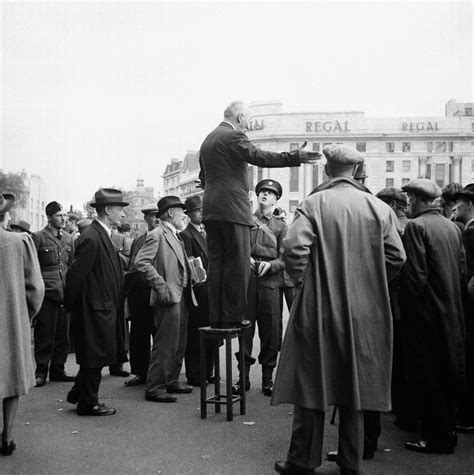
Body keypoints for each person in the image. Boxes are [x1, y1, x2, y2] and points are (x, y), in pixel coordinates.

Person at [272, 144, 406, 475]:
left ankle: (302, 461)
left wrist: (306, 281)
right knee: (355, 386)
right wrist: (370, 280)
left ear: (327, 170)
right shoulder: (378, 207)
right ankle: (351, 463)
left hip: (319, 308)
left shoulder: (315, 203)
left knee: (311, 382)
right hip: (365, 310)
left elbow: (294, 248)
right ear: (355, 171)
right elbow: (396, 257)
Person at [198, 101, 320, 328]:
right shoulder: (233, 136)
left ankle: (216, 316)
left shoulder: (208, 140)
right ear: (239, 116)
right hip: (233, 210)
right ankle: (232, 317)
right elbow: (258, 156)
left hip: (211, 210)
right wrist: (293, 157)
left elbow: (203, 177)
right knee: (237, 264)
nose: (248, 123)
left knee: (216, 265)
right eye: (247, 119)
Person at [400, 179, 465, 454]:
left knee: (428, 375)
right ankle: (448, 433)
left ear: (416, 200)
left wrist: (409, 314)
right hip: (452, 312)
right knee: (446, 372)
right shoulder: (452, 226)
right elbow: (461, 270)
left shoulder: (417, 226)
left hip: (426, 313)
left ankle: (435, 438)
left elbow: (416, 277)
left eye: (410, 200)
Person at [64, 188, 129, 416]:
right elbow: (75, 275)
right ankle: (88, 403)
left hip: (103, 306)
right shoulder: (92, 237)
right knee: (94, 357)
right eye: (120, 209)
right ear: (108, 210)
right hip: (94, 308)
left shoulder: (101, 234)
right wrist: (71, 306)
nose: (123, 214)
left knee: (99, 354)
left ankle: (79, 393)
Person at [135, 196, 194, 403]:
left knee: (178, 342)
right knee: (165, 343)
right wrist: (161, 287)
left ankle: (171, 380)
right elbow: (141, 263)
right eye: (181, 212)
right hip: (169, 296)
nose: (184, 216)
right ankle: (155, 387)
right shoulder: (158, 234)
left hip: (182, 295)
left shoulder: (175, 235)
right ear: (170, 213)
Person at [232, 179, 286, 397]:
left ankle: (267, 380)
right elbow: (235, 248)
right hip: (247, 281)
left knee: (271, 332)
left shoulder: (281, 227)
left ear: (276, 199)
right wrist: (246, 260)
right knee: (244, 330)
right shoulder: (245, 221)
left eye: (270, 192)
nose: (265, 194)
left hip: (270, 284)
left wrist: (271, 265)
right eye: (262, 191)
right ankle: (242, 379)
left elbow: (286, 259)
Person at [0, 192, 44, 455]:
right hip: (10, 321)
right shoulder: (19, 242)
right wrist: (25, 314)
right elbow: (35, 288)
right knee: (11, 375)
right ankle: (7, 436)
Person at [32, 201, 75, 387]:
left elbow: (70, 266)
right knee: (45, 335)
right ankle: (40, 372)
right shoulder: (38, 237)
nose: (63, 218)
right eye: (59, 215)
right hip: (47, 294)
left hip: (63, 293)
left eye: (64, 215)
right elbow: (32, 267)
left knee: (62, 337)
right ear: (49, 218)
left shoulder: (68, 239)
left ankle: (58, 370)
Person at [179, 195, 216, 386]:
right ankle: (195, 374)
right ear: (189, 214)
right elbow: (191, 264)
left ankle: (208, 371)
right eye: (197, 211)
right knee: (195, 334)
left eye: (202, 210)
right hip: (198, 290)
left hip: (210, 291)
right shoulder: (185, 235)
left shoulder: (207, 233)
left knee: (210, 333)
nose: (201, 213)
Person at [123, 203, 159, 387]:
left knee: (159, 334)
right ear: (146, 218)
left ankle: (159, 374)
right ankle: (140, 372)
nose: (157, 219)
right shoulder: (138, 240)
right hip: (139, 295)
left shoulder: (165, 238)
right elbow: (132, 267)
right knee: (139, 335)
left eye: (159, 215)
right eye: (153, 215)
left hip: (157, 293)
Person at [452, 183, 474, 433]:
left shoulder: (469, 233)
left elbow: (467, 274)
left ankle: (467, 416)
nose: (455, 206)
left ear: (468, 204)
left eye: (459, 202)